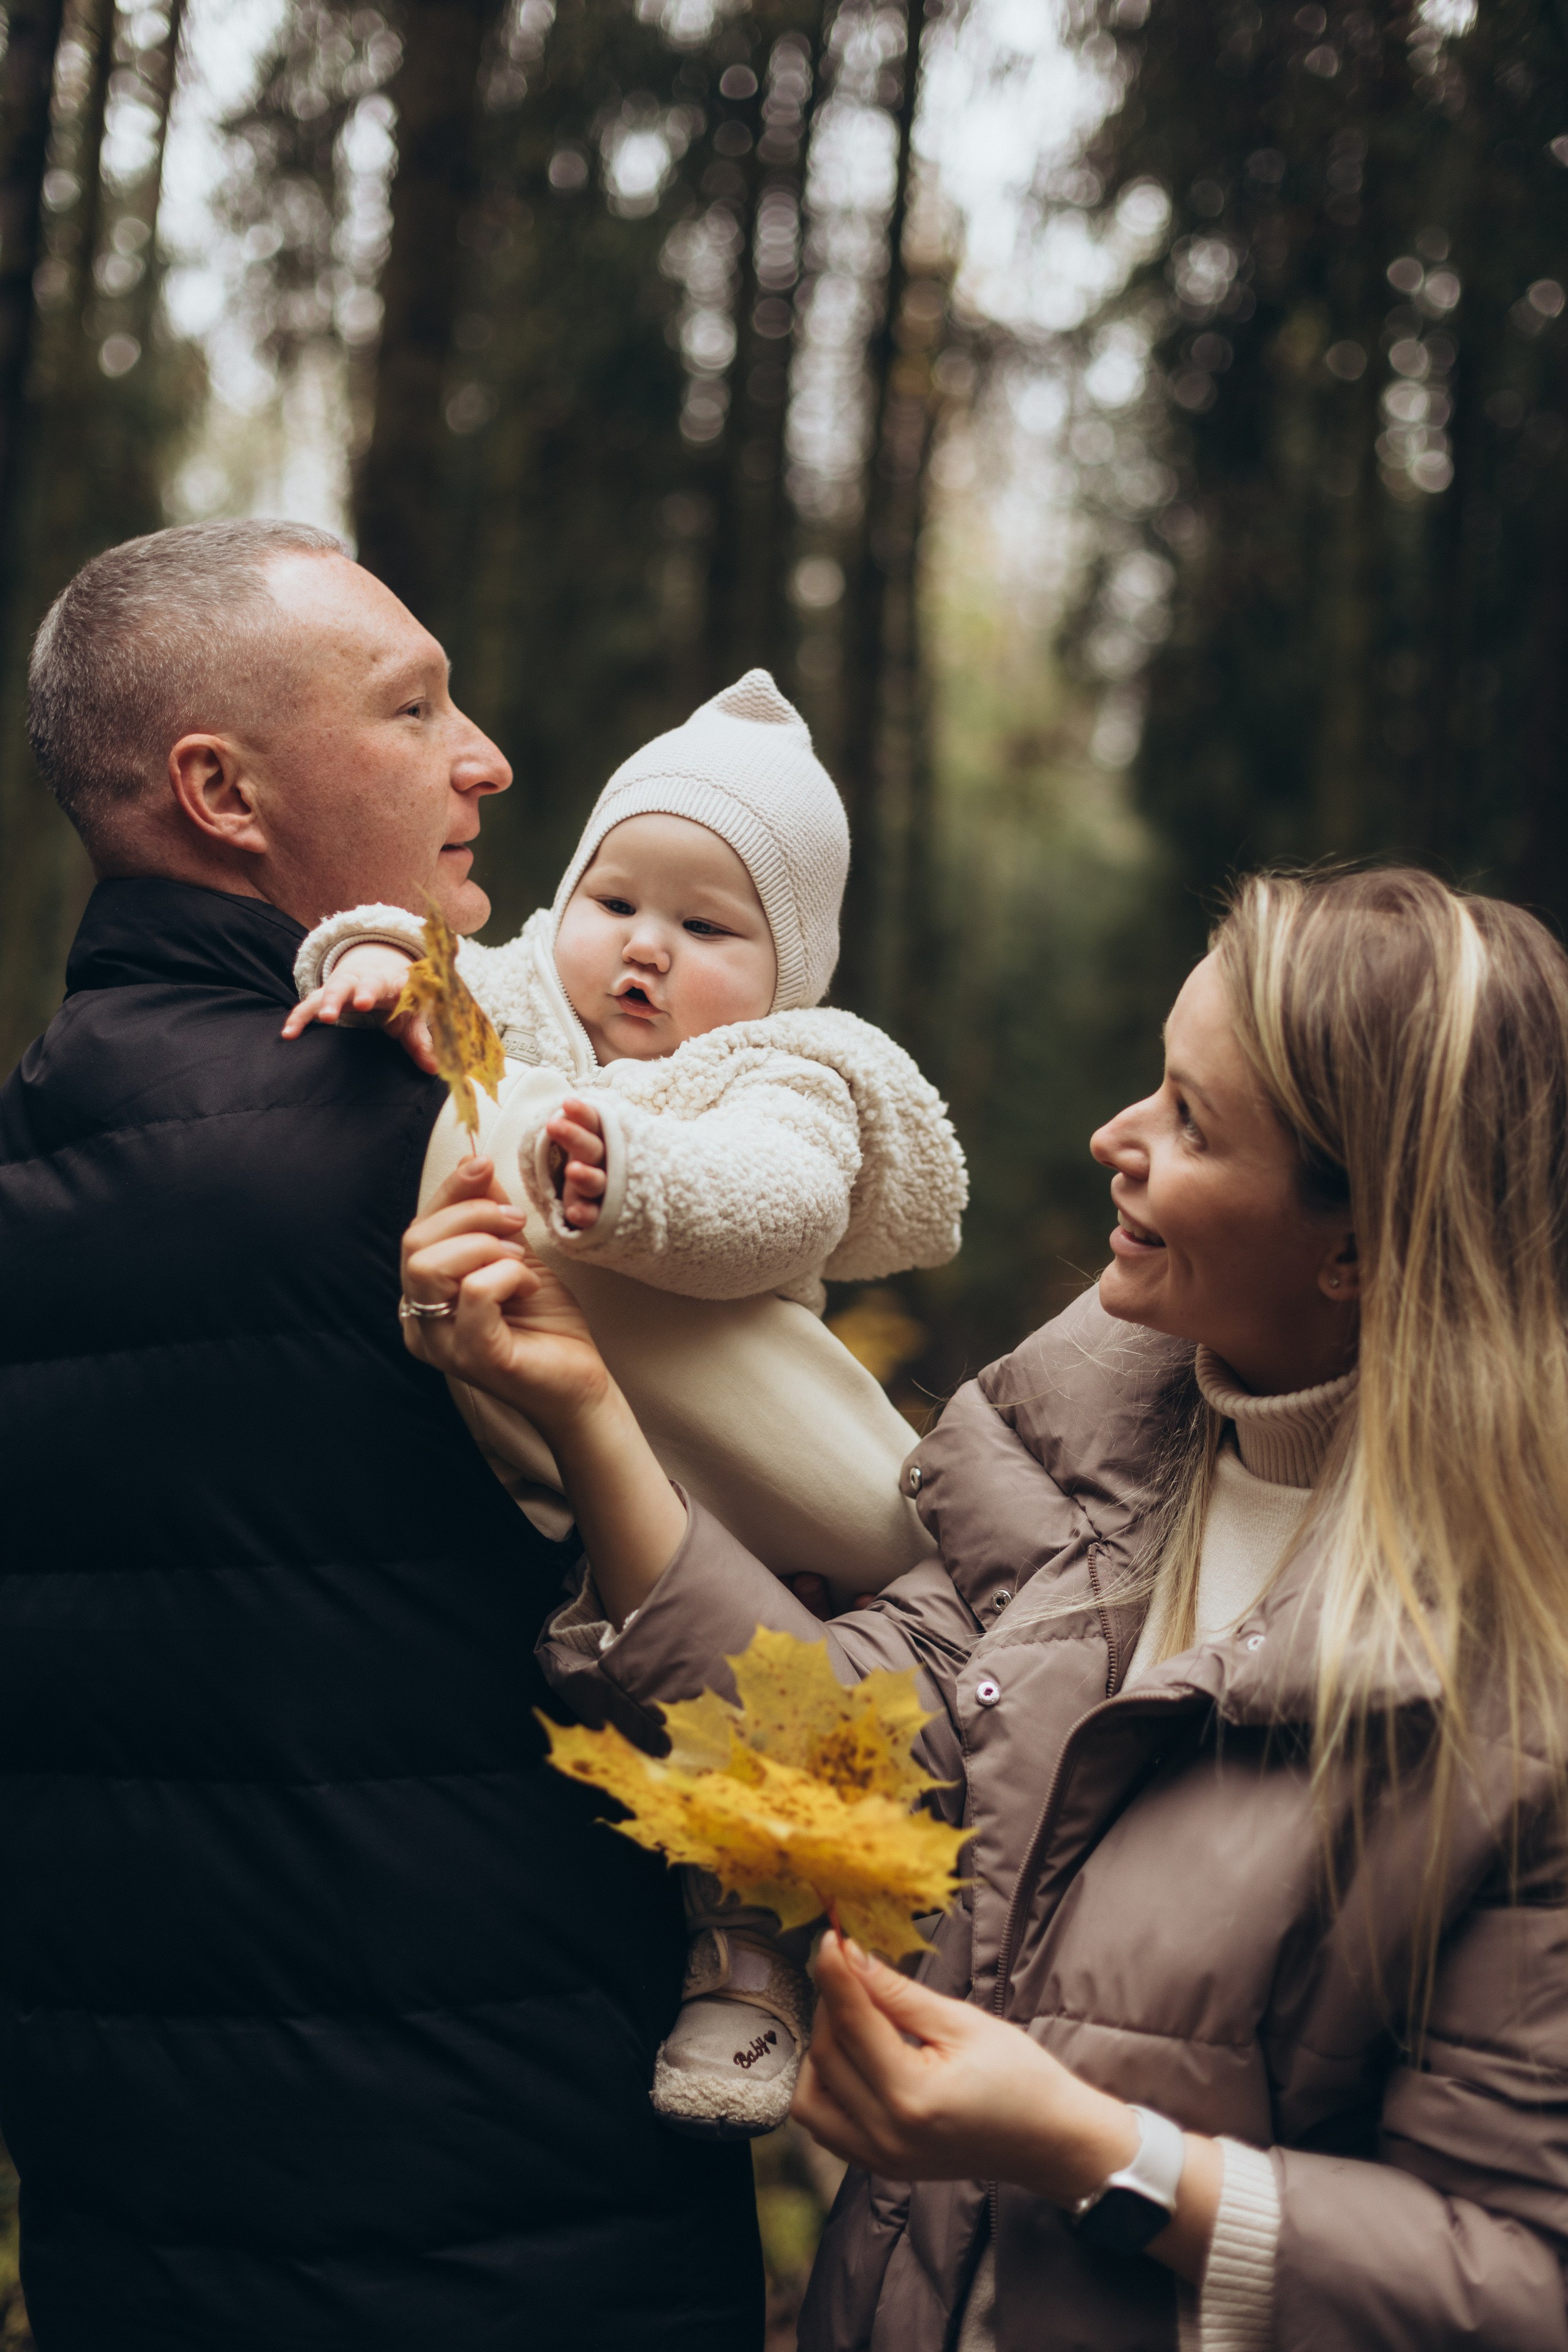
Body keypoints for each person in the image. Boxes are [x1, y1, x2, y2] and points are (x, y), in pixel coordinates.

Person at [401, 865, 1568, 2350]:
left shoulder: (1516, 1690)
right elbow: (839, 1760)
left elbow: (1521, 2282)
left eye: (1191, 1123)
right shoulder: (1084, 1457)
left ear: (1355, 1248)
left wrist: (1095, 2153)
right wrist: (581, 1407)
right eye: (1155, 1083)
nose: (1115, 1141)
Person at [0, 519, 763, 2350]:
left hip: (130, 2231)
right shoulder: (458, 1146)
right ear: (222, 791)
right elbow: (865, 1548)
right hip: (526, 2237)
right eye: (414, 708)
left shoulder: (34, 1150)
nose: (486, 756)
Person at [284, 668, 968, 2136]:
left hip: (724, 1485)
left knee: (738, 1709)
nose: (641, 953)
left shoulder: (788, 1068)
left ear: (788, 971)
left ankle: (751, 1959)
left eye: (706, 928)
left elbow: (771, 1209)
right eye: (616, 902)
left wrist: (623, 1174)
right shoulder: (531, 996)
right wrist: (363, 963)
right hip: (539, 1446)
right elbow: (423, 952)